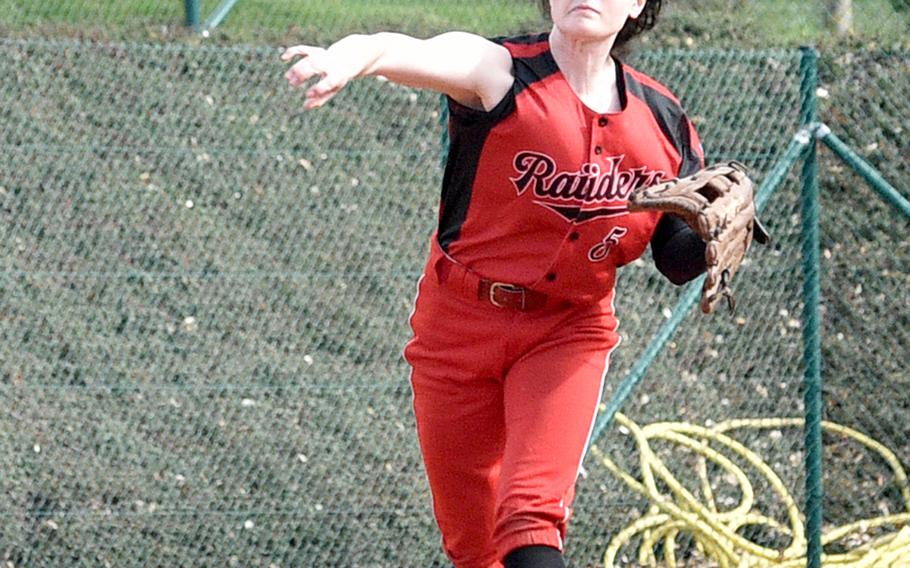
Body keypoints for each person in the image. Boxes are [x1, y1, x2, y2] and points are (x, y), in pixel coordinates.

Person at [282, 1, 709, 566]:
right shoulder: (500, 70)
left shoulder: (663, 121)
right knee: (473, 545)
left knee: (531, 516)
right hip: (457, 325)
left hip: (567, 330)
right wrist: (349, 57)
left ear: (637, 4)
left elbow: (675, 259)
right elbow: (403, 49)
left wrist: (716, 233)